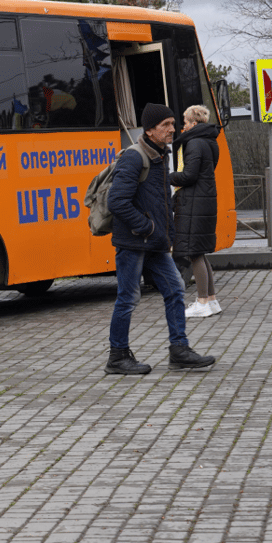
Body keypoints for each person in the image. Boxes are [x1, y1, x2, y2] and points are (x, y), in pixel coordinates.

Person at [104, 102, 216, 375]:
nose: (172, 129)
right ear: (150, 130)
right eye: (165, 125)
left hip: (153, 243)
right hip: (134, 242)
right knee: (128, 298)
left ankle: (179, 350)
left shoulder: (160, 155)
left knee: (176, 290)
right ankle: (117, 356)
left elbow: (161, 200)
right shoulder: (134, 157)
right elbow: (116, 201)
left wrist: (166, 234)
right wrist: (148, 228)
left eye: (172, 123)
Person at [170, 105, 223, 319]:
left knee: (194, 252)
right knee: (199, 251)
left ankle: (202, 302)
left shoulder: (193, 142)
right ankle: (211, 300)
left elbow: (189, 175)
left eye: (184, 120)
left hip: (194, 202)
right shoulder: (210, 141)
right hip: (204, 199)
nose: (182, 125)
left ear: (193, 123)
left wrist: (168, 176)